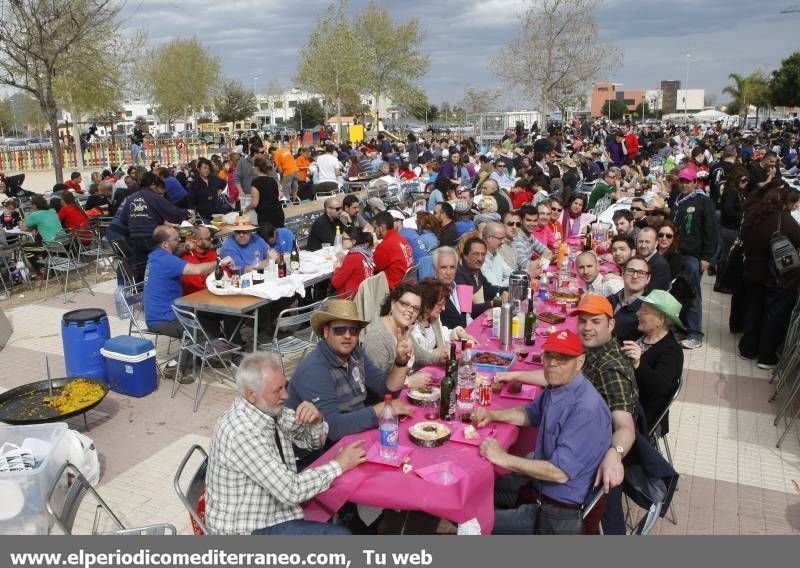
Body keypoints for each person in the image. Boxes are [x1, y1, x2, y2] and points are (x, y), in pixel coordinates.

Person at [205, 352, 363, 535]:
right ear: (251, 395)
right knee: (341, 537)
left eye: (284, 386)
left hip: (275, 510)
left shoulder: (268, 409)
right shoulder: (241, 432)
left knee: (335, 503)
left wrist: (317, 421)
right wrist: (339, 465)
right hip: (246, 530)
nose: (286, 395)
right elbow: (291, 490)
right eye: (277, 390)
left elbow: (313, 443)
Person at [474, 329, 611, 535]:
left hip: (554, 514)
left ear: (580, 362)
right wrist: (493, 415)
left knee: (469, 525)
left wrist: (502, 457)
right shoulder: (560, 386)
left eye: (562, 359)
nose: (553, 364)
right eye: (549, 356)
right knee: (475, 491)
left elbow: (559, 472)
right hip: (537, 488)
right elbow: (530, 414)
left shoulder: (585, 409)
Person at [286, 300, 414, 446]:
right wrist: (377, 411)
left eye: (353, 330)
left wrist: (401, 362)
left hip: (355, 435)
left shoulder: (355, 353)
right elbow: (331, 428)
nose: (347, 335)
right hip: (320, 453)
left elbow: (385, 389)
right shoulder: (314, 369)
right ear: (326, 332)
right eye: (340, 330)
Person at [570, 294, 638, 535]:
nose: (587, 328)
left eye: (595, 321)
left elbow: (625, 427)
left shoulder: (610, 369)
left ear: (611, 324)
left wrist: (614, 453)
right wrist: (511, 375)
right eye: (582, 321)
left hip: (590, 463)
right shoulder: (595, 352)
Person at [143, 225, 233, 375]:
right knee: (198, 330)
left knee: (206, 316)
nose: (180, 241)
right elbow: (197, 270)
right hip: (163, 318)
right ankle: (175, 366)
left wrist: (185, 246)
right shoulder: (167, 261)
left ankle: (203, 357)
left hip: (168, 310)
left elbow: (176, 251)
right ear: (165, 244)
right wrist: (221, 263)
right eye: (177, 239)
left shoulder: (156, 255)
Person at [738, 187, 800, 369]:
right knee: (774, 315)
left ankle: (747, 349)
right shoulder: (785, 220)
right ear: (787, 203)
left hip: (752, 273)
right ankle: (766, 357)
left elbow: (743, 237)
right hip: (777, 277)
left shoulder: (755, 216)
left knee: (754, 310)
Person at [620, 290, 684, 435]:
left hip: (640, 412)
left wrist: (638, 363)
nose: (637, 314)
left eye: (644, 311)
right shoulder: (638, 333)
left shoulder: (671, 351)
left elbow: (659, 388)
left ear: (660, 319)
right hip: (619, 396)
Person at [672, 168, 717, 349]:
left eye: (688, 181)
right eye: (682, 181)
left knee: (692, 295)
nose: (684, 184)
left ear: (695, 183)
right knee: (678, 292)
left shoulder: (703, 201)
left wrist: (707, 258)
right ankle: (682, 327)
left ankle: (695, 333)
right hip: (677, 254)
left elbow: (711, 231)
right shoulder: (677, 198)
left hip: (694, 256)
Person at [121, 172, 191, 283]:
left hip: (134, 241)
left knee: (142, 269)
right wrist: (187, 213)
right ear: (153, 184)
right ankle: (164, 283)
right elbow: (173, 212)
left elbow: (123, 220)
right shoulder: (154, 197)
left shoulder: (130, 198)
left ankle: (142, 288)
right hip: (151, 238)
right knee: (170, 255)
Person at [363, 284, 440, 380]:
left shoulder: (403, 327)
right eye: (405, 304)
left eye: (415, 308)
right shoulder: (377, 338)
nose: (411, 310)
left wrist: (440, 358)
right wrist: (408, 381)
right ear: (392, 303)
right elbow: (374, 382)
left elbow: (419, 355)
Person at [455, 236, 500, 319]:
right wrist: (493, 303)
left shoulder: (475, 268)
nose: (480, 259)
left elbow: (489, 289)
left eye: (483, 254)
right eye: (476, 254)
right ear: (465, 256)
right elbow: (468, 310)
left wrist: (510, 290)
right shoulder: (460, 275)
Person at [608, 256, 651, 342]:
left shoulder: (648, 311)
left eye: (641, 273)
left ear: (648, 278)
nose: (635, 276)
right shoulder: (609, 300)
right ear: (623, 274)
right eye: (630, 271)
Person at [372, 211, 414, 291]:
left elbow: (372, 268)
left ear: (382, 227)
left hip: (394, 289)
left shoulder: (385, 245)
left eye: (375, 228)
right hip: (407, 284)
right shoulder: (401, 239)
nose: (374, 231)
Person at [330, 227, 374, 299]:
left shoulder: (353, 257)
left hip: (351, 300)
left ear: (353, 241)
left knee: (325, 300)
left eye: (344, 239)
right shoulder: (365, 252)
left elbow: (335, 283)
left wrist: (338, 267)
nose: (341, 241)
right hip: (364, 295)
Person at [245, 158, 284, 229]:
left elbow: (254, 203)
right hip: (278, 213)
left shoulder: (256, 182)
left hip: (266, 216)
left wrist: (246, 209)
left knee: (266, 239)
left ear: (257, 168)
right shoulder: (272, 180)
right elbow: (280, 195)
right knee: (278, 237)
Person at [180, 226, 217, 295]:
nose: (211, 239)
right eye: (208, 238)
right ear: (196, 241)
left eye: (211, 236)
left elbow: (224, 272)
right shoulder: (187, 261)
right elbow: (197, 290)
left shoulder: (211, 252)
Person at [512, 205, 551, 270]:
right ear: (521, 220)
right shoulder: (517, 238)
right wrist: (543, 259)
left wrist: (541, 259)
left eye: (535, 220)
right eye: (528, 220)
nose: (532, 224)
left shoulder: (530, 236)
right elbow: (525, 265)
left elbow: (548, 251)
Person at [636, 227, 671, 292]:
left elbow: (650, 294)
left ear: (656, 244)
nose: (643, 245)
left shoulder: (660, 265)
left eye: (647, 242)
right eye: (640, 241)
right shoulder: (637, 259)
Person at [481, 221, 515, 289]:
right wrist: (516, 280)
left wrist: (520, 276)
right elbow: (495, 286)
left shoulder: (496, 253)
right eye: (500, 238)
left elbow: (511, 273)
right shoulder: (481, 257)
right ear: (489, 238)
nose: (502, 242)